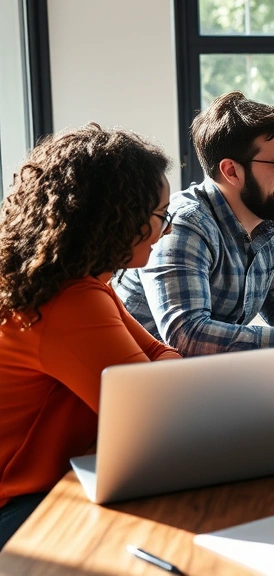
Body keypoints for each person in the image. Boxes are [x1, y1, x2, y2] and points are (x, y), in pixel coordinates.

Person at [0, 125, 182, 549]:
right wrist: (162, 375)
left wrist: (162, 374)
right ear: (116, 216)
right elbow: (154, 415)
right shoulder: (69, 301)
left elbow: (160, 357)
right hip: (23, 507)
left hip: (54, 483)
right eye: (161, 216)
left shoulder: (78, 285)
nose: (167, 230)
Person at [115, 91, 274, 358]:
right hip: (151, 384)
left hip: (210, 380)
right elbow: (187, 335)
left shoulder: (264, 217)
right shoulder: (186, 225)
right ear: (231, 171)